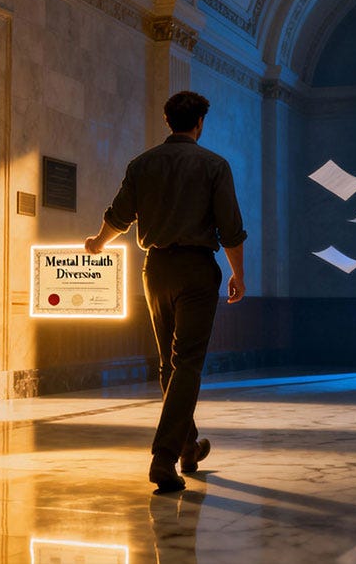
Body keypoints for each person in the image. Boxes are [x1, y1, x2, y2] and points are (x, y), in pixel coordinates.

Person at [85, 91, 247, 493]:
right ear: (200, 123)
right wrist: (237, 274)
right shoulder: (214, 165)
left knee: (168, 364)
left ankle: (188, 446)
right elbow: (230, 227)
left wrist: (98, 242)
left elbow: (118, 215)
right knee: (188, 362)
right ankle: (163, 456)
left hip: (155, 269)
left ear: (167, 121)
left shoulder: (142, 164)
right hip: (196, 269)